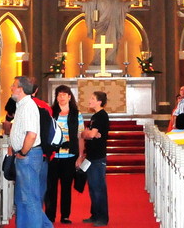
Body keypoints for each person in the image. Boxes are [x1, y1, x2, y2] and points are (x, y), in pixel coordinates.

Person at [8, 76, 53, 228]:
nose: (11, 88)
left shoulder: (28, 106)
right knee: (22, 198)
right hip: (25, 155)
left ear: (21, 89)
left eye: (14, 86)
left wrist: (23, 152)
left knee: (30, 198)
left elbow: (32, 134)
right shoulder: (21, 105)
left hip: (29, 155)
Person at [45, 85, 84, 224]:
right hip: (53, 156)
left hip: (69, 156)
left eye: (64, 95)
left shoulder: (76, 114)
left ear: (69, 96)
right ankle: (50, 215)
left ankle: (65, 215)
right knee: (51, 187)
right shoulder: (50, 112)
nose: (61, 97)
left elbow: (80, 135)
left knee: (67, 187)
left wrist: (80, 155)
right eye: (59, 95)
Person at [77, 90, 110, 226]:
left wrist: (86, 133)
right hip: (91, 156)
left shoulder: (101, 116)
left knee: (98, 188)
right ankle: (95, 214)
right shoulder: (95, 116)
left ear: (99, 101)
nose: (89, 100)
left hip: (98, 157)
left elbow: (89, 134)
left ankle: (102, 218)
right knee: (92, 187)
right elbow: (89, 134)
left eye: (92, 98)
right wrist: (88, 133)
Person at [81, 0, 129, 65]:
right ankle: (98, 60)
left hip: (111, 24)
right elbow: (89, 5)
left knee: (112, 42)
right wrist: (80, 4)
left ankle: (110, 60)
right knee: (99, 42)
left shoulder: (113, 0)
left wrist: (128, 4)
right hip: (101, 25)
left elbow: (120, 7)